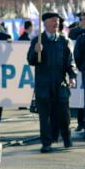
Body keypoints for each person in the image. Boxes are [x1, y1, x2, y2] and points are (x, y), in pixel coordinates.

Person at [27, 12, 77, 153]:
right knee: (45, 117)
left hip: (60, 84)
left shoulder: (63, 40)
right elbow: (31, 61)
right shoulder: (37, 40)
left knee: (63, 114)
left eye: (57, 21)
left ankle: (66, 137)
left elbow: (70, 62)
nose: (56, 24)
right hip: (43, 85)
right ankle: (46, 142)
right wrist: (36, 52)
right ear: (45, 23)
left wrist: (72, 76)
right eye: (53, 21)